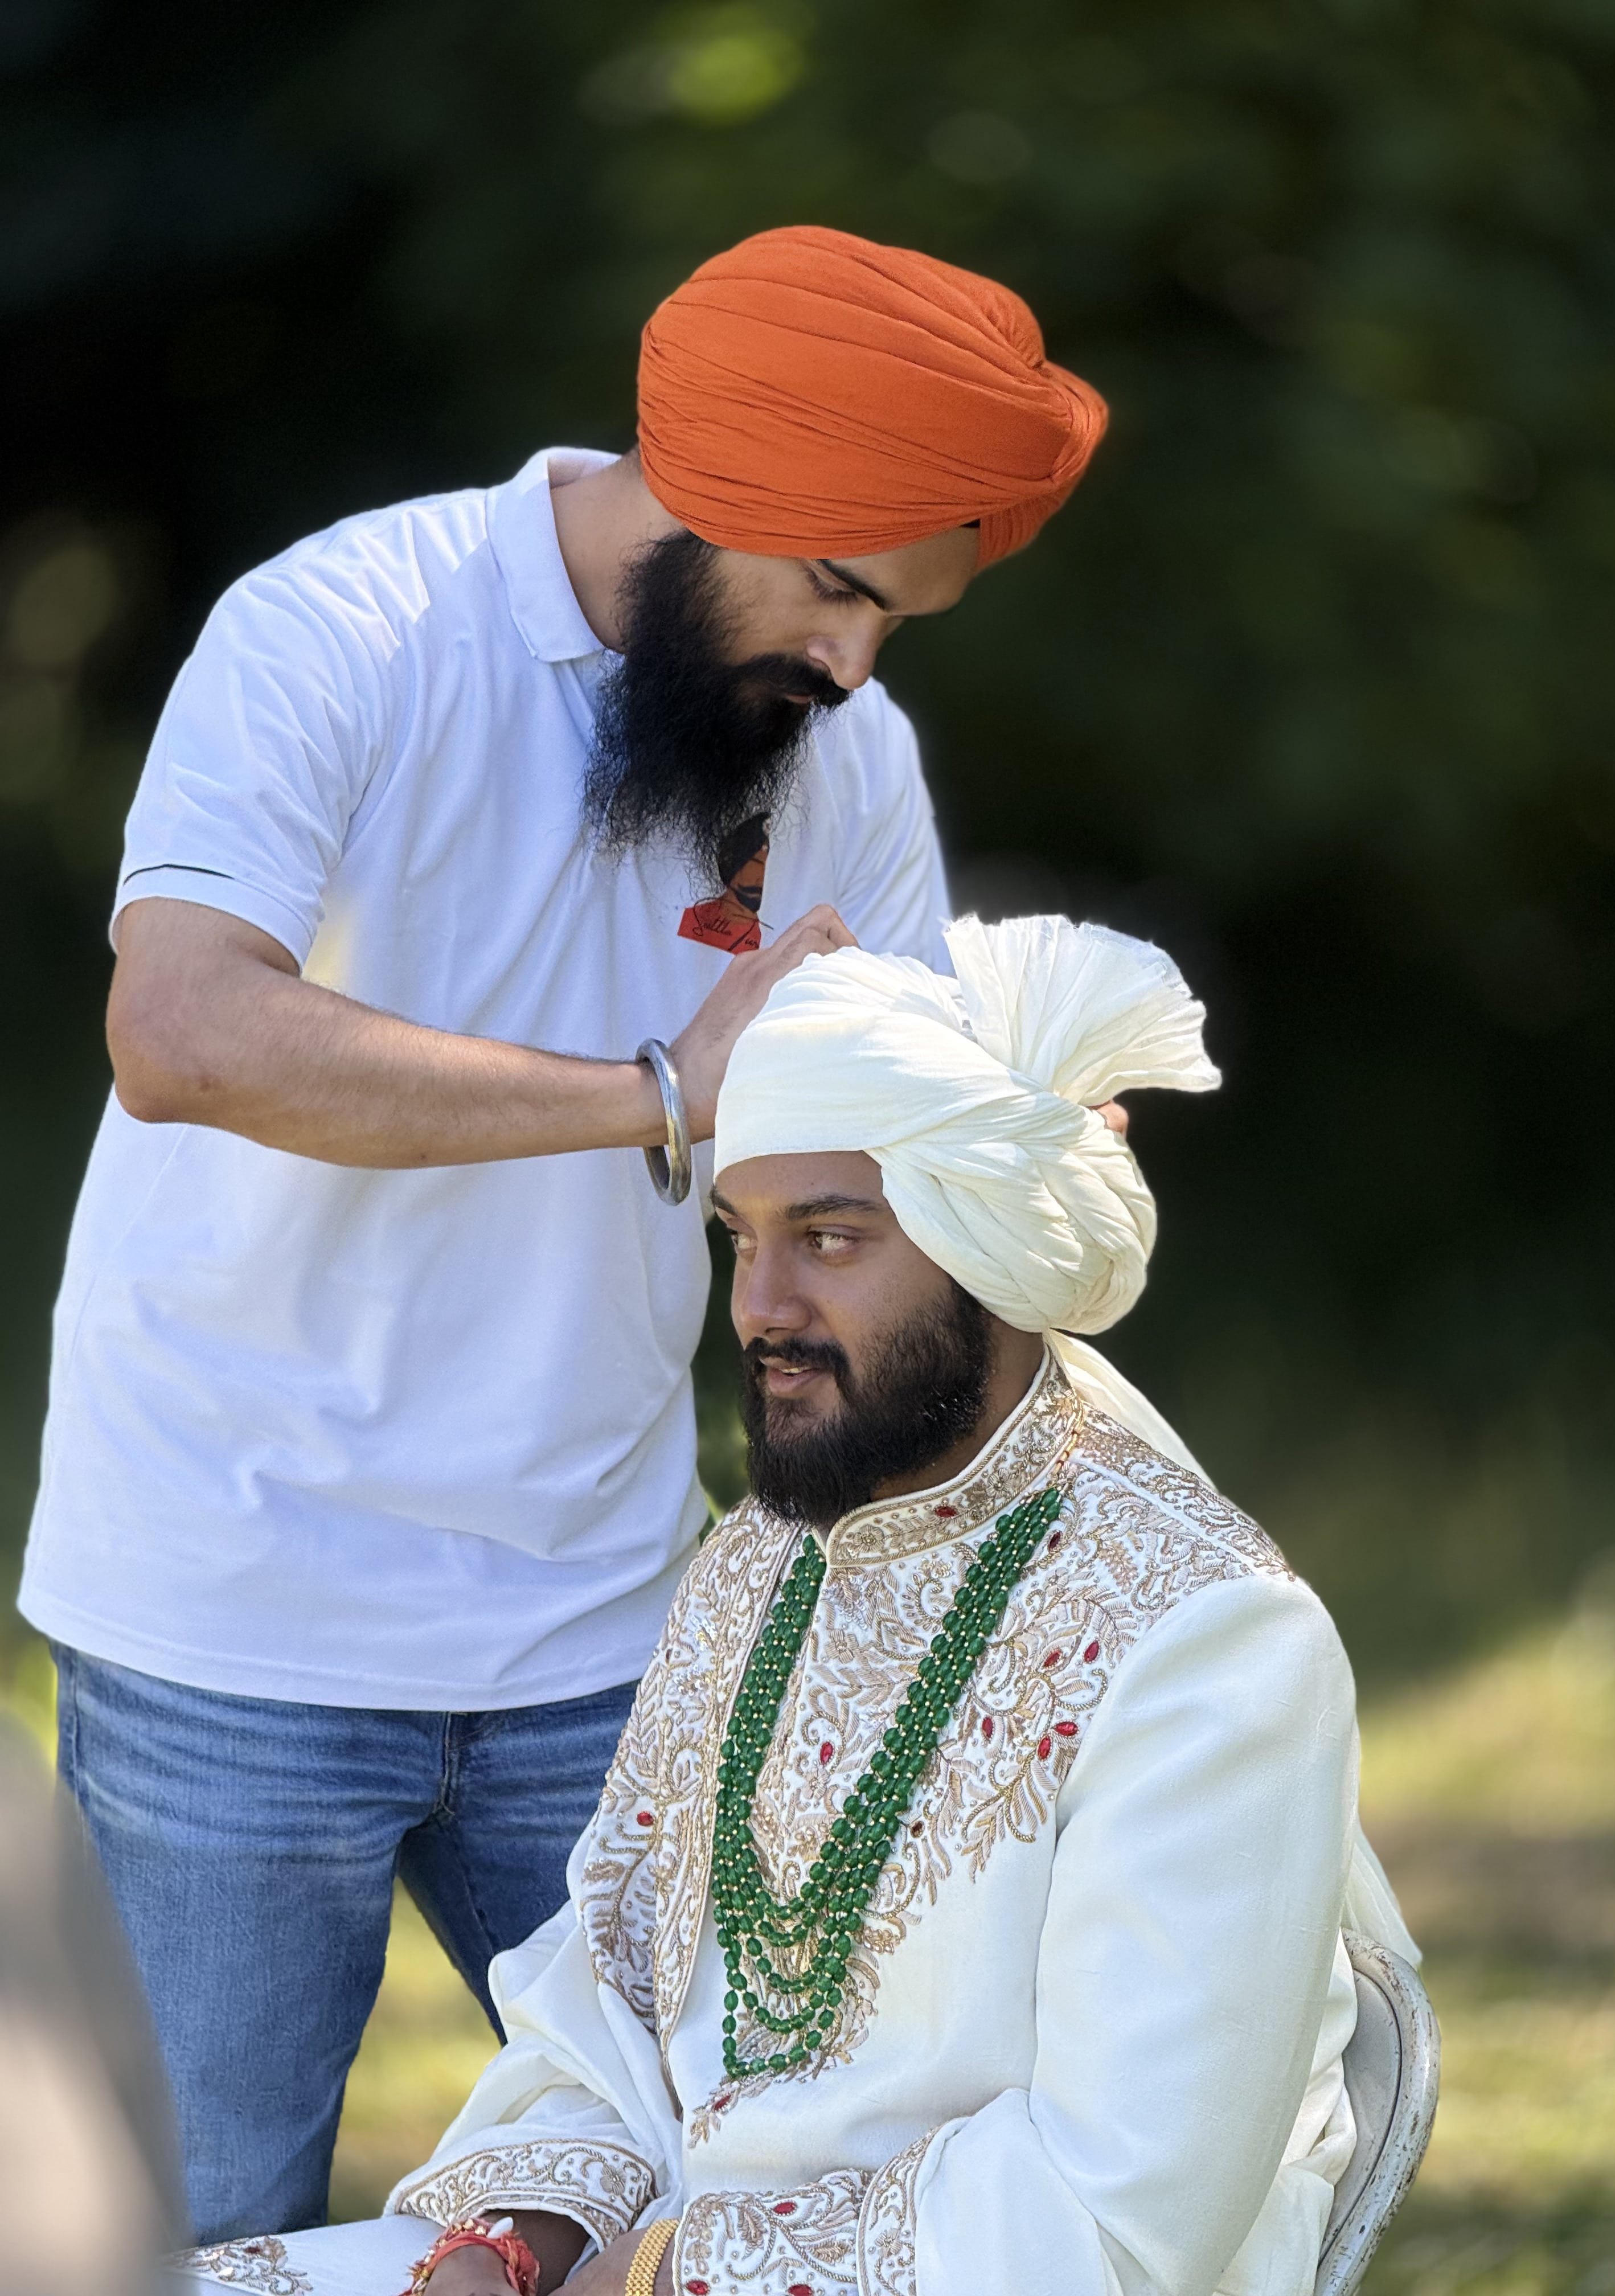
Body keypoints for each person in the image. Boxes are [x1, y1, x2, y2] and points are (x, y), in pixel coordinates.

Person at [15, 228, 1110, 2245]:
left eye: (901, 620)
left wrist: (1010, 1164)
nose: (859, 662)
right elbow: (177, 1031)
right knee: (192, 2238)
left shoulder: (838, 753)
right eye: (842, 589)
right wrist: (656, 1095)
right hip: (235, 1606)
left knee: (762, 2206)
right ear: (720, 488)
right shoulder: (342, 624)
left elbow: (872, 1160)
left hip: (613, 1624)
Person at [174, 914, 1417, 2296]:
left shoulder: (1211, 1640)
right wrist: (518, 2243)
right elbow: (611, 1997)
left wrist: (659, 2276)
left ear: (986, 1245)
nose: (760, 1306)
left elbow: (1111, 2222)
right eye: (740, 1236)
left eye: (830, 1239)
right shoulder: (758, 1565)